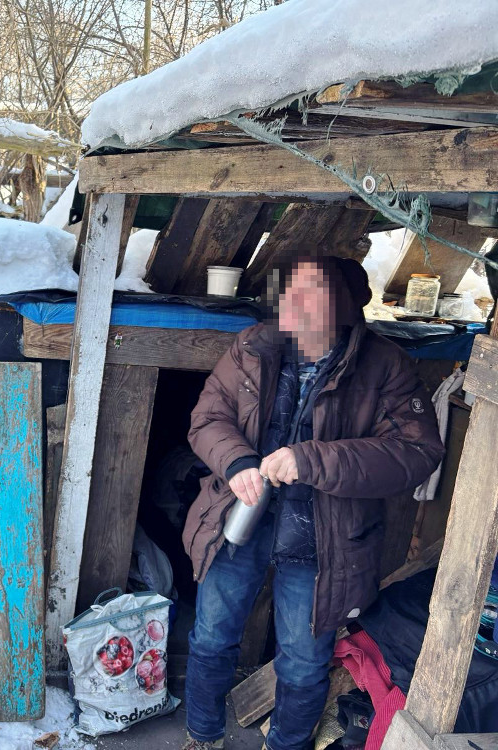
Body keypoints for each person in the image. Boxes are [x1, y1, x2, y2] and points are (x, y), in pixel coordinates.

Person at [180, 256, 445, 750]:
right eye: (290, 293)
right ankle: (203, 736)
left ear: (343, 306)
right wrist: (237, 463)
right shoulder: (253, 346)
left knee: (303, 662)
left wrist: (313, 460)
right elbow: (208, 418)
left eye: (313, 295)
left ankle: (285, 746)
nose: (295, 305)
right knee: (211, 637)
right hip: (241, 516)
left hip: (326, 538)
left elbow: (417, 453)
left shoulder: (384, 365)